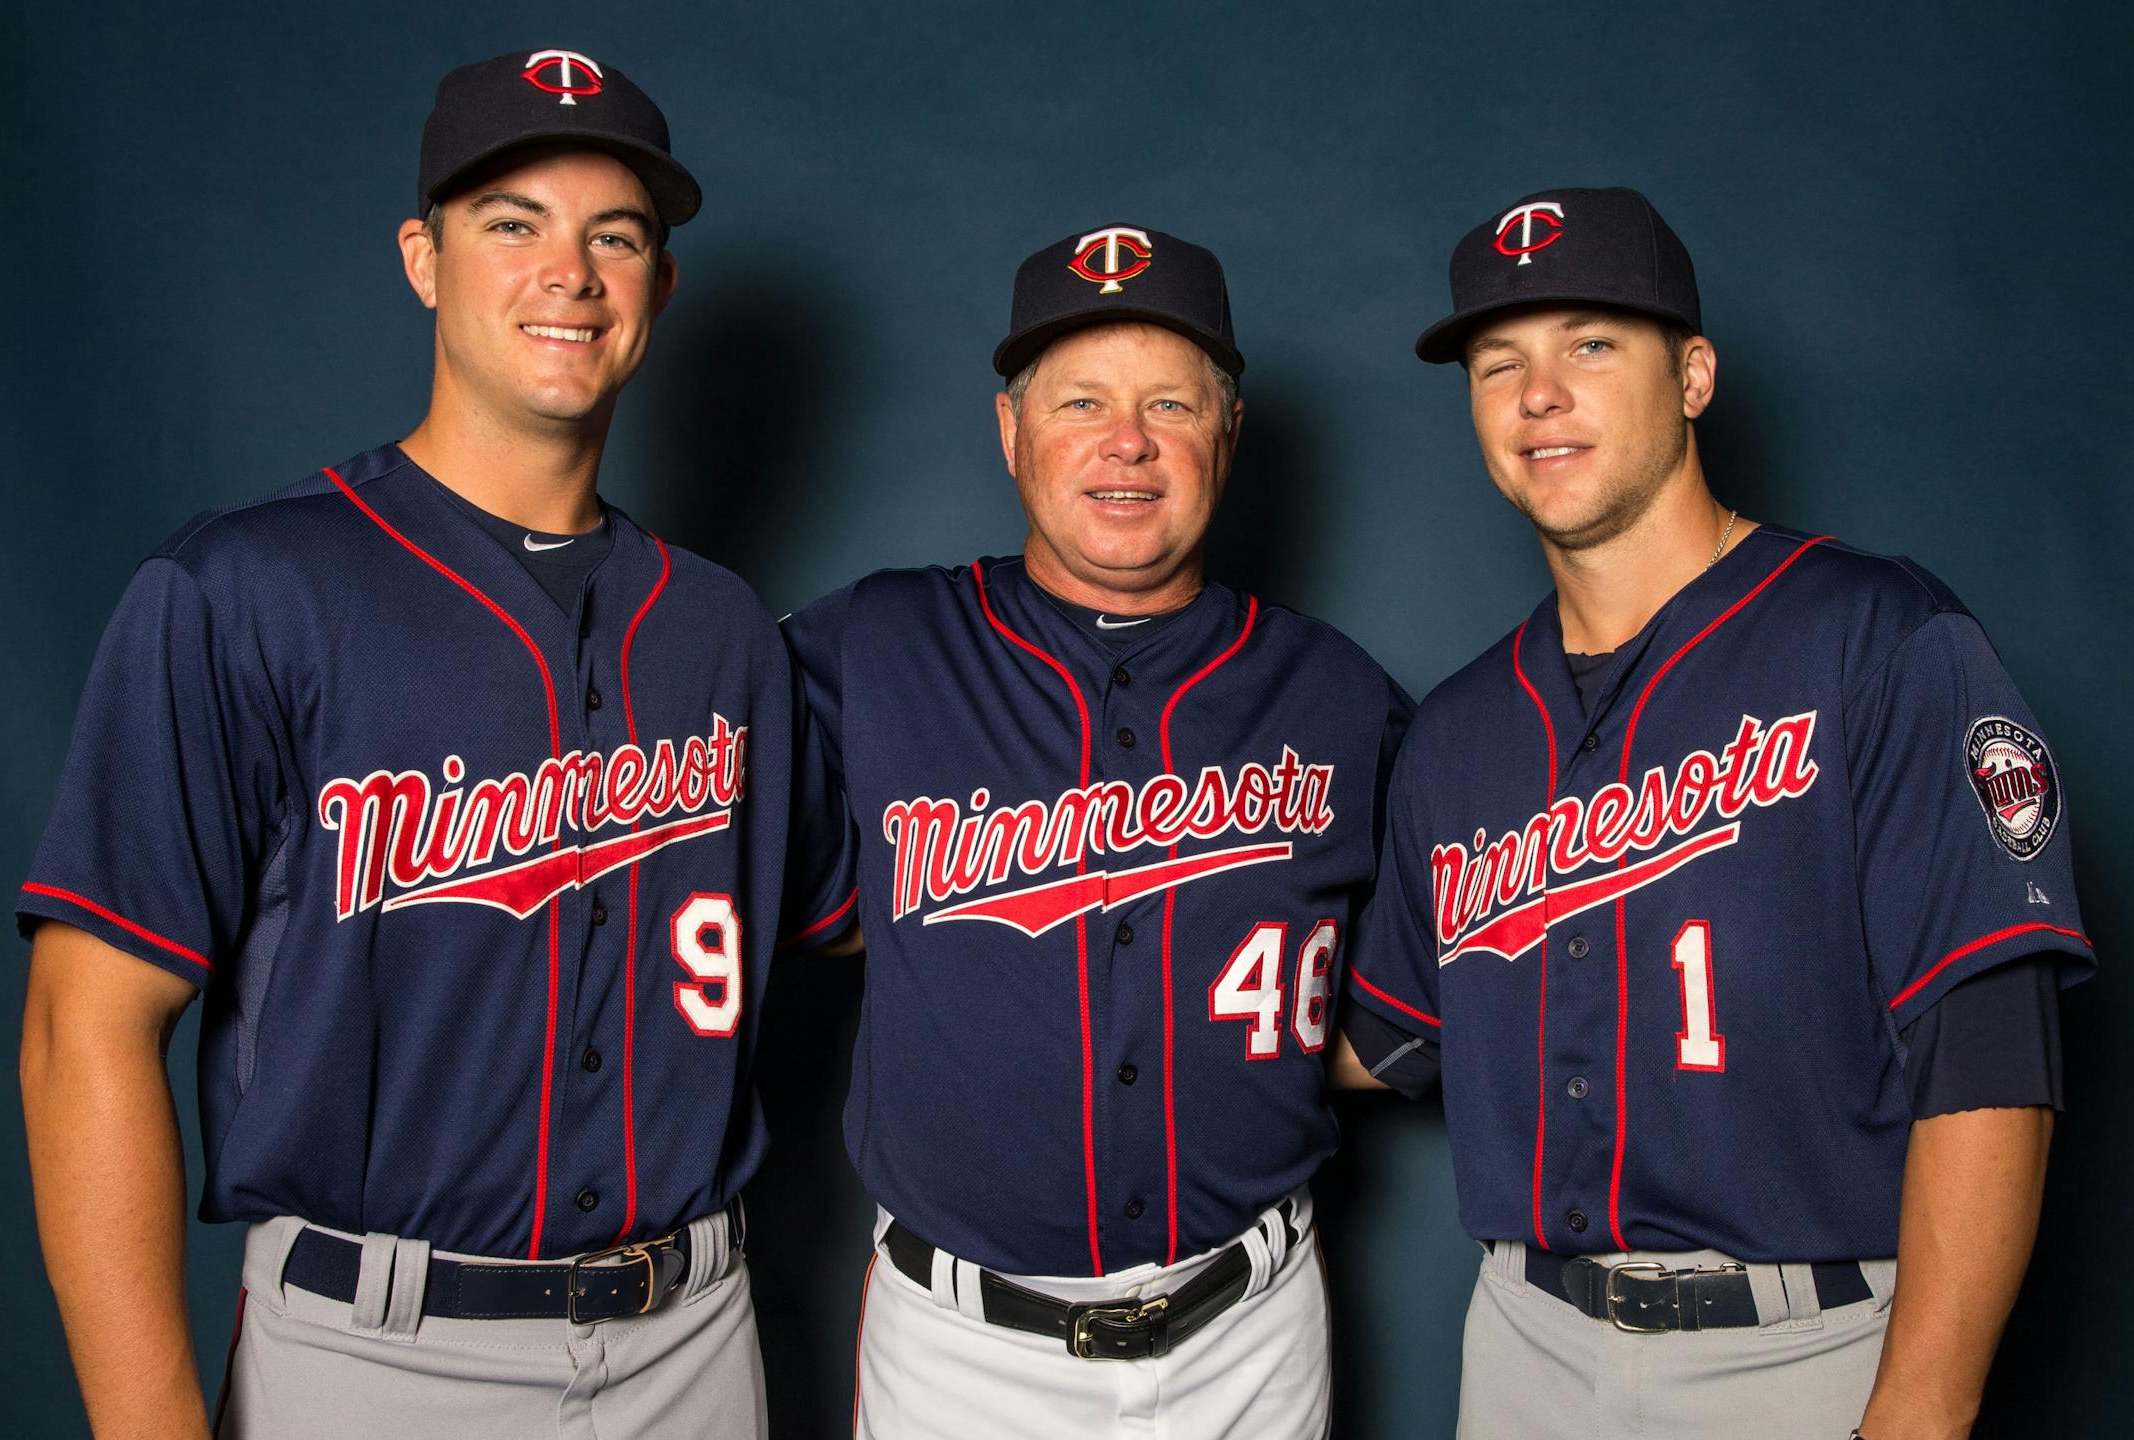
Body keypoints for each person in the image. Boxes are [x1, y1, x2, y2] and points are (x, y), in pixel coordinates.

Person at [18, 47, 801, 1438]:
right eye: (512, 224)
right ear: (421, 258)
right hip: (381, 1355)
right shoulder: (242, 591)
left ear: (657, 291)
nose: (569, 272)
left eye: (613, 236)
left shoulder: (724, 630)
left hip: (698, 1341)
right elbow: (85, 1025)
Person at [1339, 185, 2094, 1439]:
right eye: (1498, 363)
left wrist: (1920, 1413)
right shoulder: (1460, 732)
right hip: (1523, 1345)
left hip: (1809, 1351)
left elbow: (1989, 1042)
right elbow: (1384, 1034)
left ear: (1692, 376)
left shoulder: (1881, 636)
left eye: (1590, 344)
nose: (1539, 395)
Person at [782, 224, 1413, 1438]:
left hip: (1250, 1331)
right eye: (1081, 401)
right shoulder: (874, 647)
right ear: (1012, 433)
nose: (1127, 442)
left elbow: (1465, 947)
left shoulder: (1336, 693)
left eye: (1171, 403)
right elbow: (734, 866)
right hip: (958, 1348)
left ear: (1228, 437)